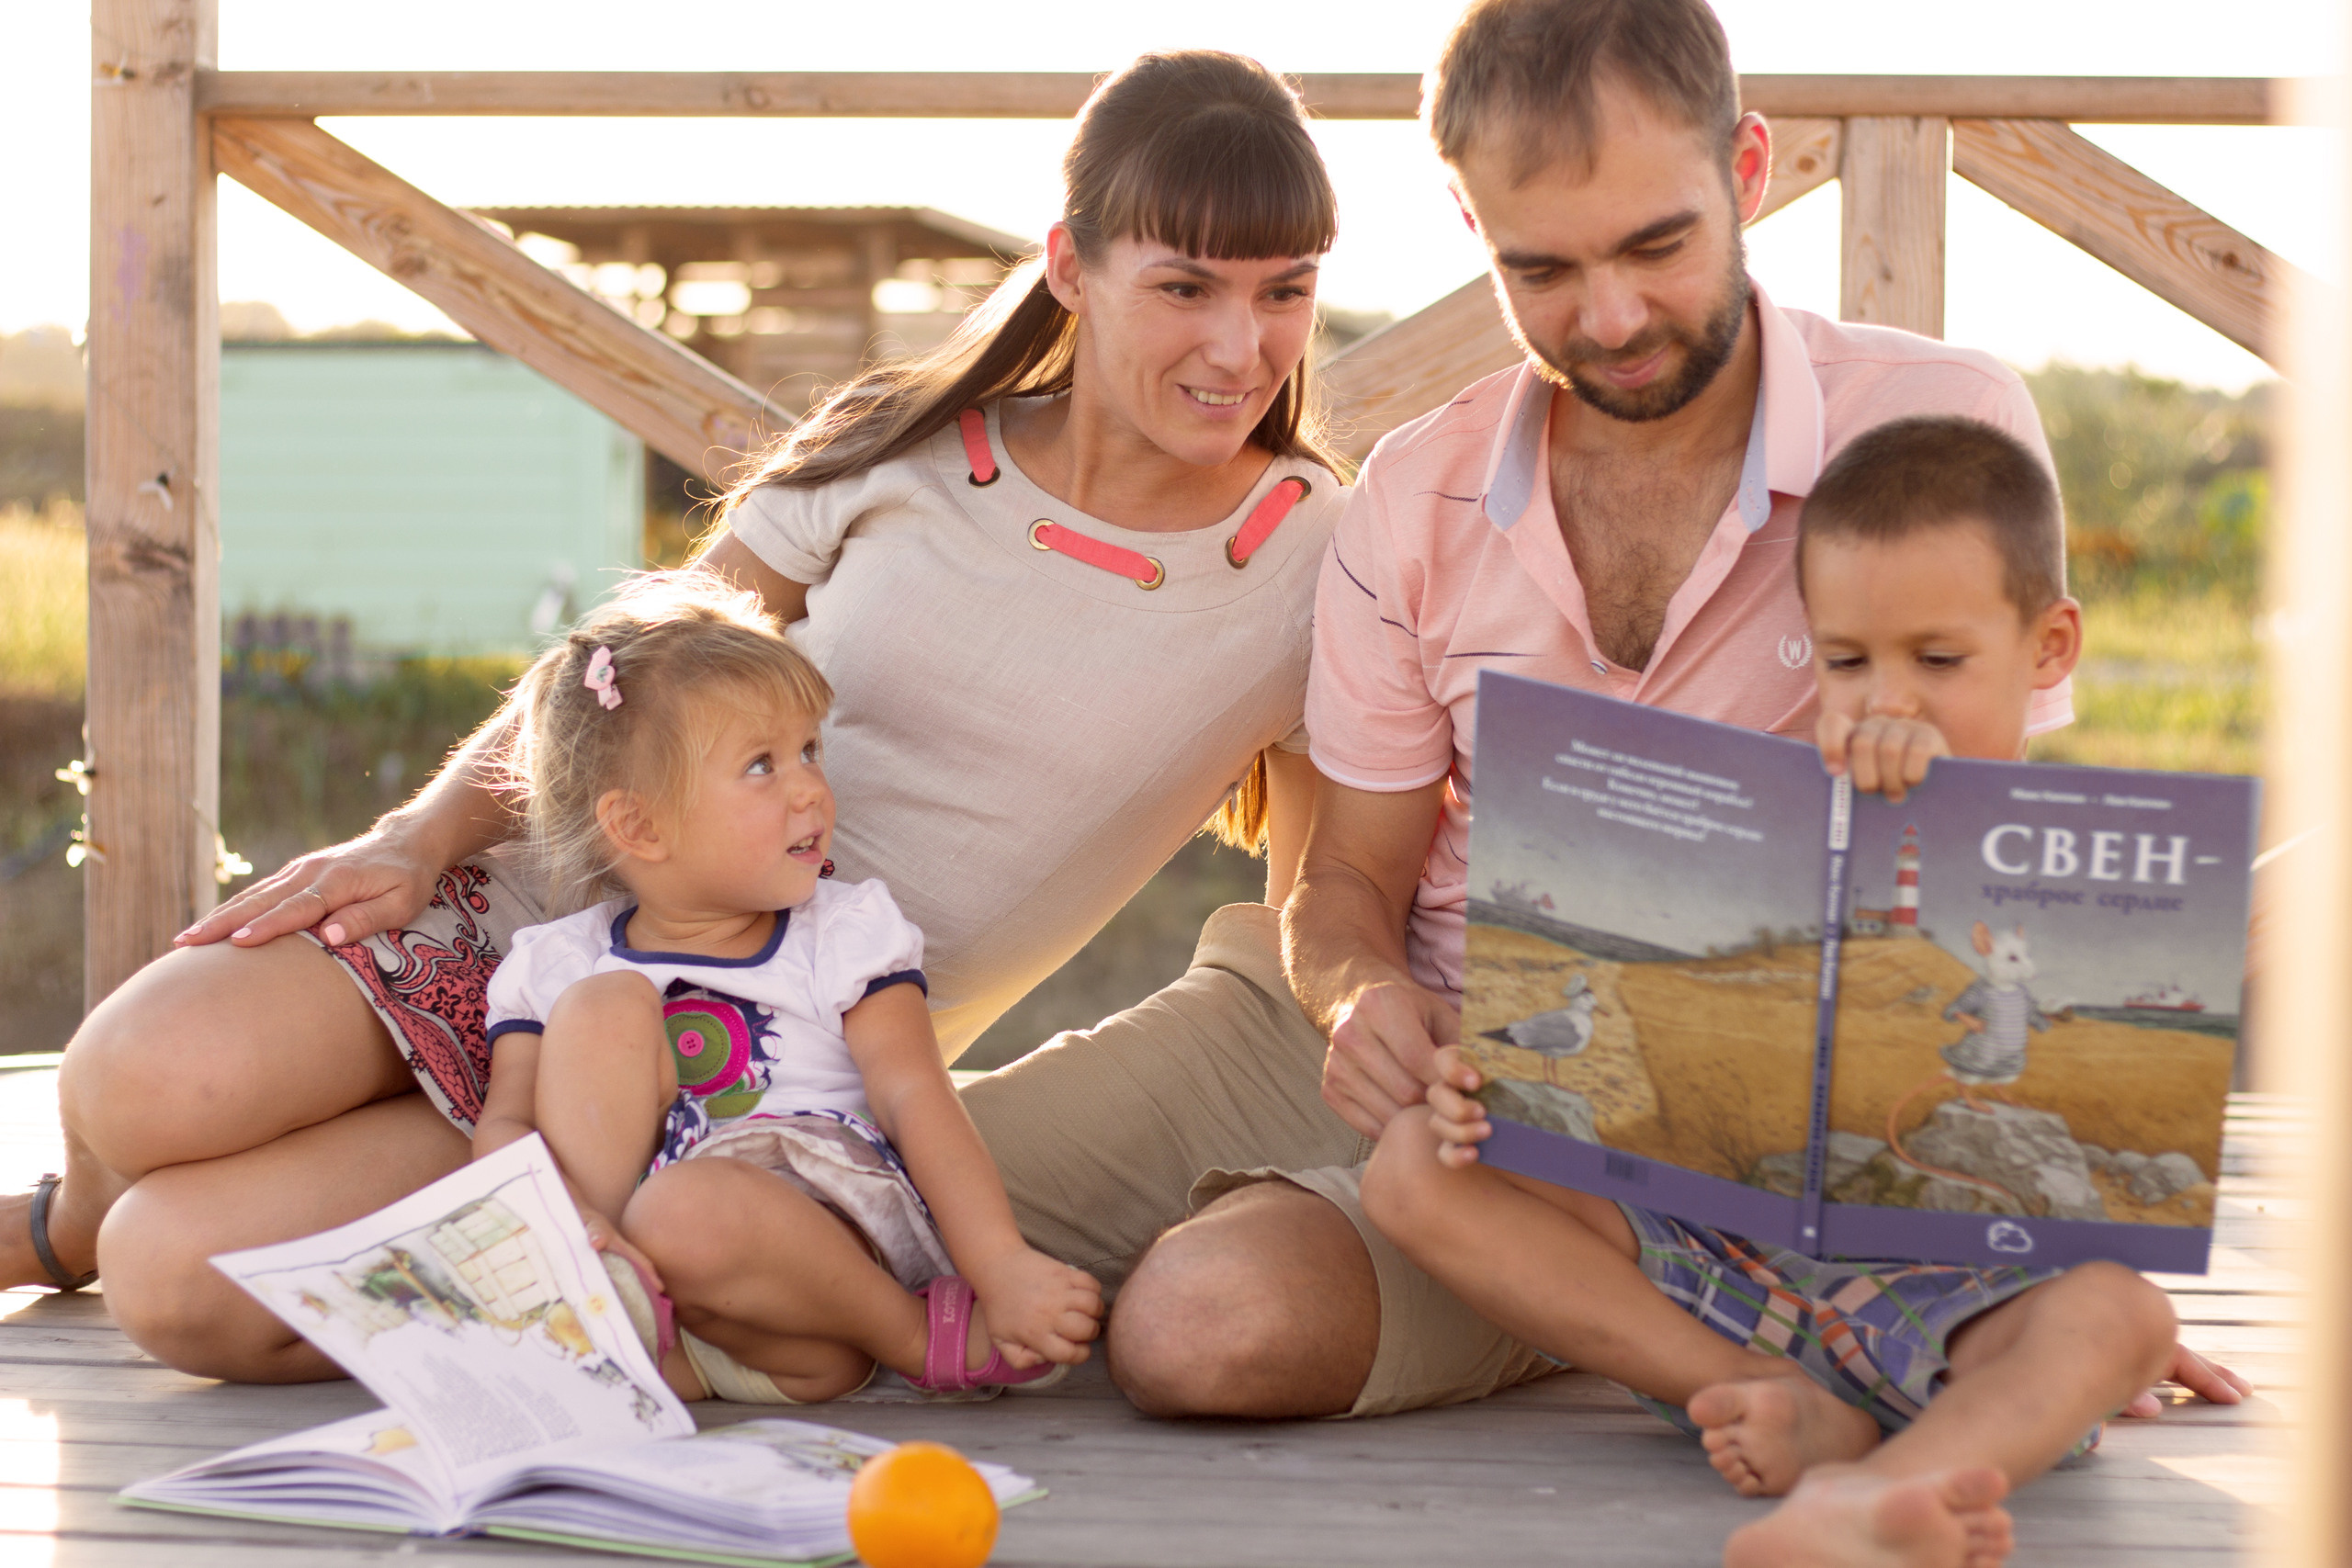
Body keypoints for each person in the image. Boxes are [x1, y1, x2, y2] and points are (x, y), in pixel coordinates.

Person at [15, 51, 1362, 1383]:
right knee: (135, 1073)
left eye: (1283, 293)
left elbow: (1327, 901)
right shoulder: (907, 446)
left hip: (742, 1059)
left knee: (176, 1278)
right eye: (1185, 287)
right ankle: (58, 1219)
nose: (1239, 348)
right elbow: (626, 671)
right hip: (546, 899)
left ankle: (126, 1229)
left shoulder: (1318, 565)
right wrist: (421, 835)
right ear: (1071, 267)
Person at [1101, 0, 2112, 1422]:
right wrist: (1364, 994)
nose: (1615, 319)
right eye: (1546, 268)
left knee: (1207, 1317)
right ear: (1470, 224)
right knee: (1175, 1314)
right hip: (1495, 1116)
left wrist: (2033, 1264)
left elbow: (2018, 870)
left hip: (1822, 1123)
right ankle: (1767, 1363)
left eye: (1658, 245)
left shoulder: (1938, 427)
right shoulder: (1416, 492)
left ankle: (1759, 1353)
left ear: (1748, 173)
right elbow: (1345, 882)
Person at [1359, 415, 2249, 1567]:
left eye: (1937, 660)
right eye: (1846, 660)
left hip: (1954, 1299)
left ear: (2048, 648)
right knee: (1414, 1165)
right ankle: (1756, 1397)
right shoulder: (1770, 807)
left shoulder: (2063, 853)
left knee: (2125, 1315)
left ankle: (1882, 1500)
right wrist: (1499, 1097)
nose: (1888, 699)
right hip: (1713, 1277)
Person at [469, 575, 1101, 1404]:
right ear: (640, 826)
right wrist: (564, 1224)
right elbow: (507, 1120)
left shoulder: (838, 935)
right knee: (603, 1008)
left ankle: (918, 1338)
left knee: (683, 1212)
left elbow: (917, 1096)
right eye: (761, 766)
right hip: (670, 1317)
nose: (808, 787)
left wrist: (1002, 1264)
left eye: (809, 750)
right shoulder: (560, 961)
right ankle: (610, 1301)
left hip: (816, 1278)